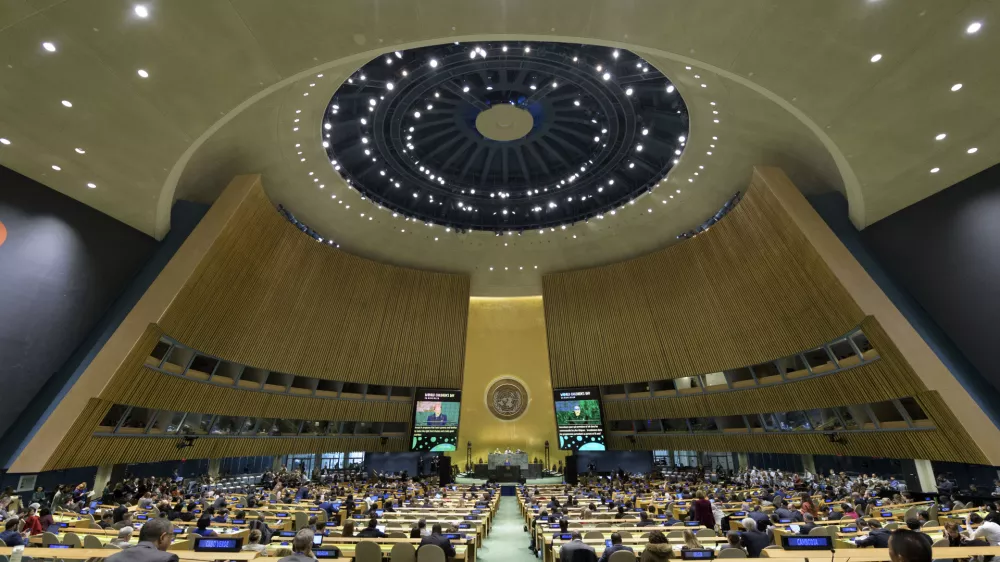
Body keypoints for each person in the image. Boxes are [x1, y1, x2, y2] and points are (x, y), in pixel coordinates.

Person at [106, 517, 177, 562]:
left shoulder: (110, 559)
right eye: (171, 536)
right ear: (162, 537)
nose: (170, 541)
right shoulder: (167, 559)